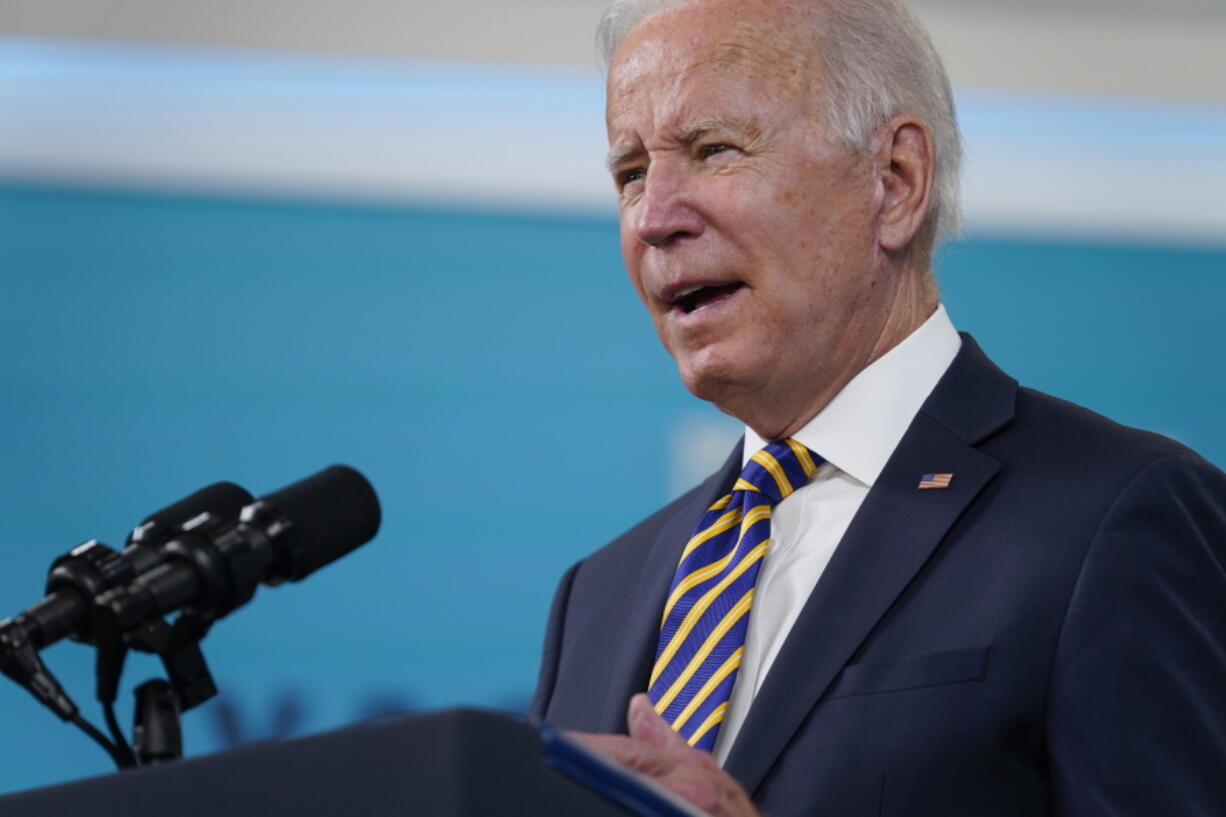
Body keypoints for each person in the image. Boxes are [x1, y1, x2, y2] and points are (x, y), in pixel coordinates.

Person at [528, 0, 1226, 815]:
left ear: (894, 182)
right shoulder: (596, 597)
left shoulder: (1119, 516)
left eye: (713, 150)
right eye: (630, 174)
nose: (652, 218)